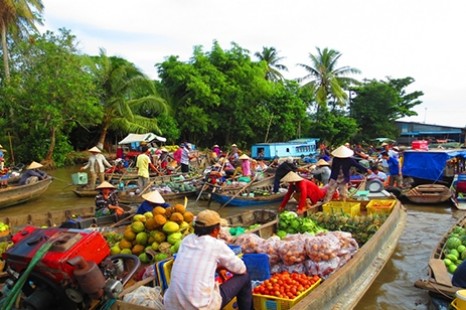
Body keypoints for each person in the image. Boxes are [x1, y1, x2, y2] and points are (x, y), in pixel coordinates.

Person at [164, 210, 253, 310]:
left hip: (171, 305)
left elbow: (197, 263)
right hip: (201, 307)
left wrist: (219, 268)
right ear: (215, 230)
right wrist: (223, 267)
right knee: (245, 277)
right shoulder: (216, 245)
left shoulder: (186, 240)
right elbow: (241, 269)